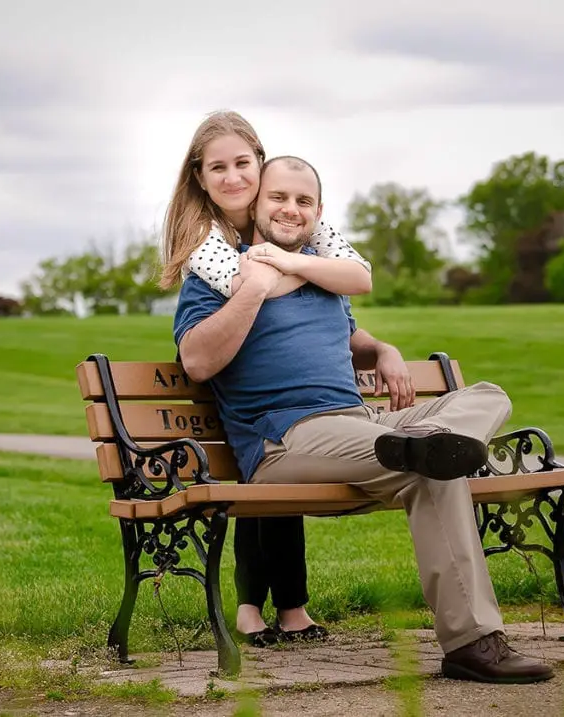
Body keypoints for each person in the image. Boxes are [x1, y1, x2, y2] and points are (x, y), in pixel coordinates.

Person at [172, 155, 555, 684]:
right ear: (256, 203)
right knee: (431, 465)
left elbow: (346, 337)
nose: (291, 209)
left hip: (364, 422)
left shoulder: (323, 273)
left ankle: (425, 442)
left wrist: (383, 348)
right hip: (287, 439)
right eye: (279, 198)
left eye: (304, 201)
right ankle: (473, 642)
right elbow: (195, 360)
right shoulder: (225, 276)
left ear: (319, 211)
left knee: (487, 397)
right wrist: (257, 289)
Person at [158, 110, 404, 646]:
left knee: (281, 472)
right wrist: (282, 265)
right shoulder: (206, 238)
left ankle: (288, 607)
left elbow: (354, 282)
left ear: (262, 166)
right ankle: (253, 608)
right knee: (267, 471)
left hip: (302, 405)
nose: (232, 178)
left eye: (243, 163)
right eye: (216, 167)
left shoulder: (293, 219)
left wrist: (293, 264)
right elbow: (253, 290)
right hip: (257, 401)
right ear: (198, 176)